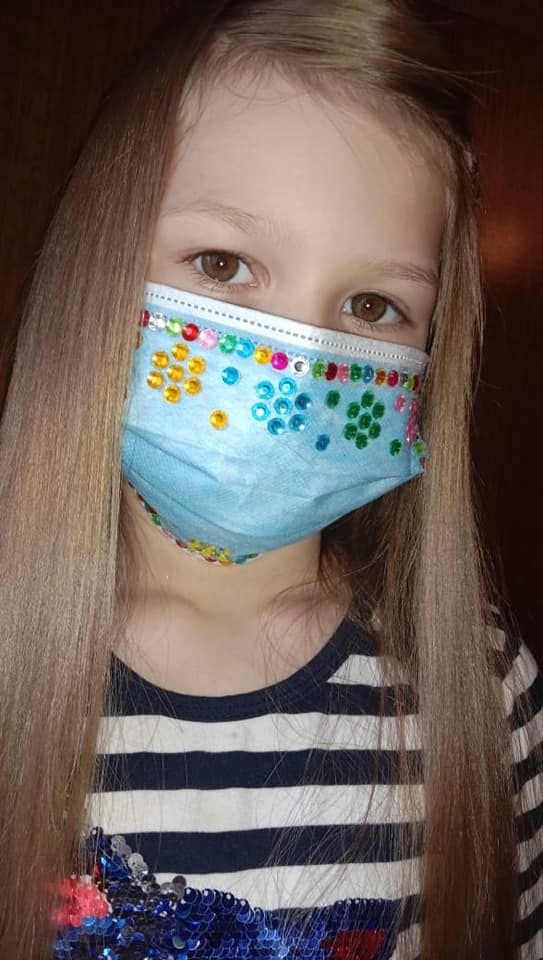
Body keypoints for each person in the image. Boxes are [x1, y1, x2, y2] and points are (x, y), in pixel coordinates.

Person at [0, 1, 541, 958]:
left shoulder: (485, 691)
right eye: (223, 263)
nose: (297, 367)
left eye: (370, 305)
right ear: (98, 269)